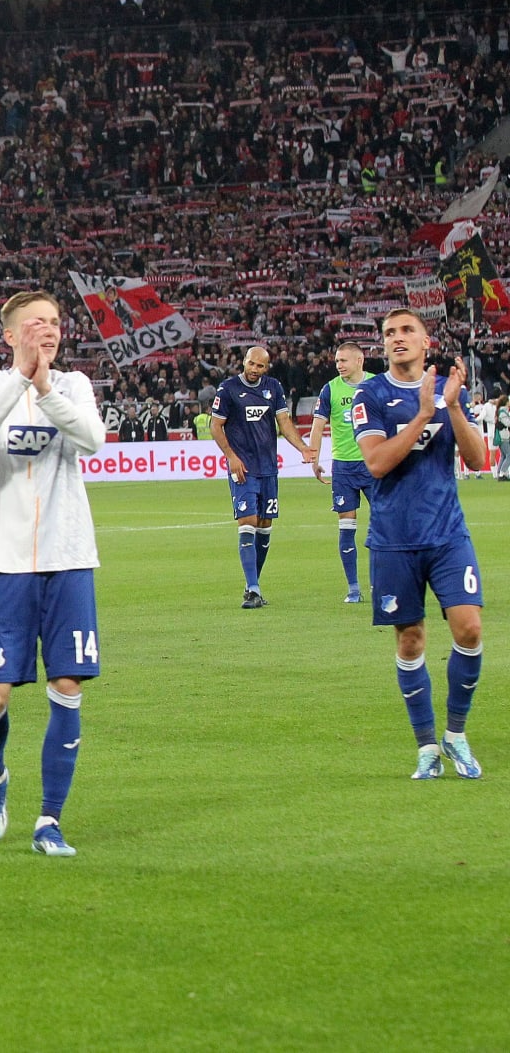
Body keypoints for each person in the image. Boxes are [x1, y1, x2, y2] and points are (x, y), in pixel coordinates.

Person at [0, 291, 106, 858]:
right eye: (34, 324)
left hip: (68, 557)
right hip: (5, 560)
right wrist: (22, 379)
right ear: (11, 335)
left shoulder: (74, 385)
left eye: (53, 322)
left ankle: (49, 820)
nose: (47, 330)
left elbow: (91, 440)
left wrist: (46, 387)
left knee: (67, 686)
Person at [352, 308, 488, 781]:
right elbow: (376, 463)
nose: (398, 338)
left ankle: (456, 733)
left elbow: (477, 458)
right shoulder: (369, 395)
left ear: (426, 341)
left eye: (407, 330)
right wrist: (424, 416)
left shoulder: (455, 393)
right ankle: (427, 746)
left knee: (469, 629)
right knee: (410, 639)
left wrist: (450, 408)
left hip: (448, 533)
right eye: (389, 333)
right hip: (394, 540)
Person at [209, 346, 317, 608]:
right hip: (243, 469)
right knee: (247, 523)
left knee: (264, 526)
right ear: (244, 362)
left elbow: (285, 423)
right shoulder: (228, 389)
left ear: (266, 367)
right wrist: (232, 458)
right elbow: (215, 426)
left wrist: (302, 447)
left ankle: (251, 585)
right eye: (251, 364)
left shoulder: (274, 388)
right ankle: (254, 590)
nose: (254, 369)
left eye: (260, 366)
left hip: (268, 468)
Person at [308, 343, 372, 603]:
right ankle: (354, 588)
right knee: (347, 526)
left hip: (373, 463)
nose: (339, 365)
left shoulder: (377, 385)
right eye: (337, 361)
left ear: (360, 360)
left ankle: (381, 584)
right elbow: (318, 424)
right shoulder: (330, 389)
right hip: (343, 467)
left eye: (344, 360)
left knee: (383, 526)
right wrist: (313, 458)